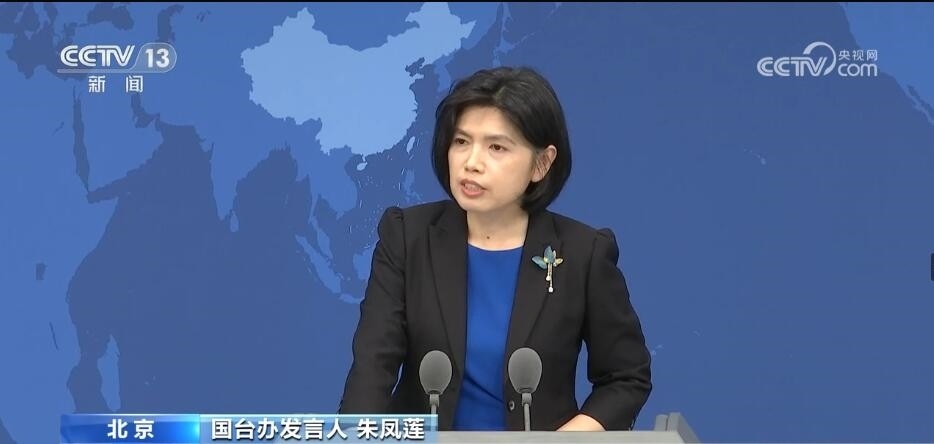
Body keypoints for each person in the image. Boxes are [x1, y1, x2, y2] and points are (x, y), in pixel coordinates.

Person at [338, 66, 652, 432]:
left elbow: (625, 377)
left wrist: (563, 441)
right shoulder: (408, 237)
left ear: (541, 163)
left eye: (496, 147)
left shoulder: (583, 253)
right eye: (461, 142)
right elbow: (373, 365)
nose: (472, 163)